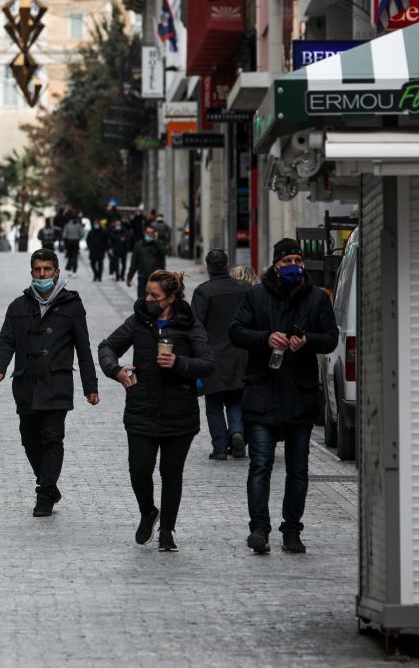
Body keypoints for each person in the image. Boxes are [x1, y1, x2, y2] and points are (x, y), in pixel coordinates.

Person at [229, 238, 338, 555]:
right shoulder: (255, 296)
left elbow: (330, 338)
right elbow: (236, 332)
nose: (293, 266)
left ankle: (292, 530)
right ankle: (259, 529)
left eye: (297, 260)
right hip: (263, 390)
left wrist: (307, 341)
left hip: (300, 395)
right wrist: (266, 338)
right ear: (275, 264)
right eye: (287, 261)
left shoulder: (317, 298)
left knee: (298, 469)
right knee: (260, 464)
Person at [98, 270, 214, 552]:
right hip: (142, 407)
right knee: (139, 469)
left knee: (171, 472)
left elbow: (208, 364)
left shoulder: (189, 325)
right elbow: (107, 347)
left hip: (180, 410)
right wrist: (116, 370)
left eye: (154, 296)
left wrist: (177, 363)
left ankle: (167, 531)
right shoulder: (139, 321)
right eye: (146, 294)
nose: (147, 299)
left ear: (171, 298)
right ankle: (148, 511)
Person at [0, 249, 100, 517]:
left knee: (51, 437)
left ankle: (45, 492)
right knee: (29, 439)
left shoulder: (72, 306)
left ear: (57, 272)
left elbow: (83, 348)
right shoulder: (18, 306)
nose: (42, 275)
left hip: (56, 383)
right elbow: (6, 340)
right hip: (26, 383)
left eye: (47, 270)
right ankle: (49, 485)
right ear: (31, 273)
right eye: (37, 270)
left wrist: (90, 386)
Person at [192, 250, 250, 460]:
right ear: (227, 265)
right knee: (236, 398)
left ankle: (219, 447)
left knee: (214, 402)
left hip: (213, 355)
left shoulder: (203, 292)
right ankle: (236, 432)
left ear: (208, 267)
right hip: (241, 353)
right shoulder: (242, 288)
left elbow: (195, 326)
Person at [126, 225, 167, 301]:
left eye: (152, 233)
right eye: (148, 233)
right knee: (141, 300)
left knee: (155, 301)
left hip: (156, 279)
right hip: (142, 277)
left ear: (154, 234)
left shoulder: (158, 244)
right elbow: (133, 263)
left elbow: (164, 252)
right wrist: (129, 277)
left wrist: (156, 241)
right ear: (144, 233)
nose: (149, 235)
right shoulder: (138, 245)